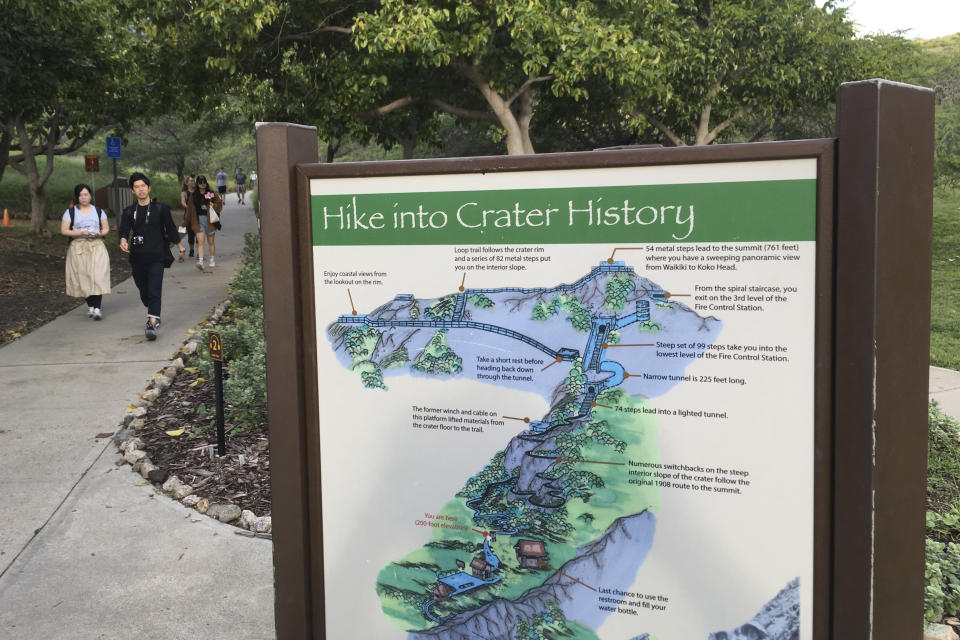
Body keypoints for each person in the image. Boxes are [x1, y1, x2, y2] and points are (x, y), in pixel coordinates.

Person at [118, 172, 180, 341]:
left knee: (154, 288)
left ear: (149, 188)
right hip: (138, 257)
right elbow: (124, 229)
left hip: (157, 255)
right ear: (133, 191)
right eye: (137, 187)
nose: (141, 189)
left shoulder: (161, 208)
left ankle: (151, 321)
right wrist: (123, 239)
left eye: (143, 186)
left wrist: (180, 247)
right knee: (143, 289)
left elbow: (171, 228)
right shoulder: (129, 211)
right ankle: (151, 306)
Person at [60, 184, 110, 320]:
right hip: (78, 247)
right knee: (83, 277)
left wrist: (100, 233)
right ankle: (91, 306)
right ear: (77, 197)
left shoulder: (98, 211)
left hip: (96, 246)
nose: (83, 197)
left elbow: (106, 228)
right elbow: (64, 230)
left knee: (98, 276)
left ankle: (97, 309)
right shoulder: (70, 212)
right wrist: (80, 232)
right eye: (81, 195)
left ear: (90, 196)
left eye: (86, 194)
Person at [183, 174, 223, 271]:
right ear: (197, 184)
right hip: (197, 221)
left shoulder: (210, 193)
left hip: (210, 221)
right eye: (200, 182)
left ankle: (212, 259)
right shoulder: (194, 196)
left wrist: (213, 205)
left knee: (211, 242)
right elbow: (189, 210)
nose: (202, 184)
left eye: (204, 182)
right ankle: (200, 261)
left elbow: (219, 203)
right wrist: (185, 222)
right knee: (200, 241)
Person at [178, 175, 197, 260]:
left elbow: (209, 196)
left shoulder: (199, 191)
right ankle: (192, 250)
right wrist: (189, 208)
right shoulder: (184, 193)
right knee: (190, 234)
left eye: (193, 181)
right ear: (186, 183)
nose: (193, 182)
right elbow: (183, 202)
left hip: (198, 216)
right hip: (188, 216)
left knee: (199, 234)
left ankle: (200, 251)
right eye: (191, 181)